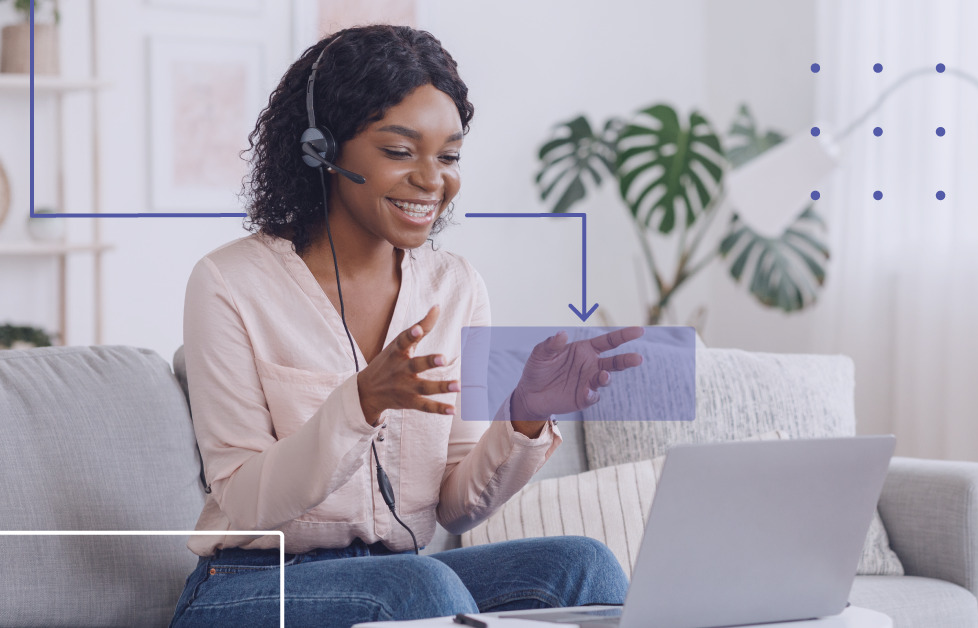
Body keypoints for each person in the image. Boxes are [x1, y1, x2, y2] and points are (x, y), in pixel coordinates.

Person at [170, 24, 643, 628]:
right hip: (251, 585)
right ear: (322, 149)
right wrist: (358, 404)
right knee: (421, 589)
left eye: (448, 156)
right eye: (399, 152)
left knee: (585, 568)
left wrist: (525, 415)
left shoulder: (457, 286)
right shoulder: (228, 282)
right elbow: (245, 500)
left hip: (404, 575)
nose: (431, 179)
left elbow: (456, 504)